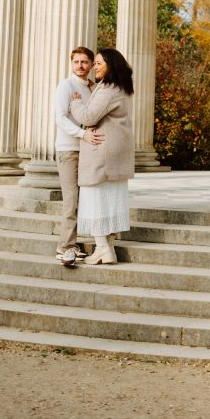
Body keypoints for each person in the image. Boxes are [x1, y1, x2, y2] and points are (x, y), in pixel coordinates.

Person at [69, 48, 134, 265]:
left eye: (98, 63)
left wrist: (76, 101)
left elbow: (88, 117)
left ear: (110, 65)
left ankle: (103, 248)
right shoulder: (120, 88)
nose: (94, 67)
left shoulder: (108, 89)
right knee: (108, 201)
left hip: (102, 152)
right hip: (115, 153)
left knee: (94, 199)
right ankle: (107, 249)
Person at [54, 46, 104, 267]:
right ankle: (65, 247)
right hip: (68, 149)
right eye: (76, 62)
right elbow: (61, 118)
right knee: (71, 201)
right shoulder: (66, 86)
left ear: (92, 65)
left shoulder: (93, 88)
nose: (80, 66)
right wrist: (83, 134)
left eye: (85, 62)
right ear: (71, 64)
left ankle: (77, 244)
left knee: (87, 199)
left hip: (87, 151)